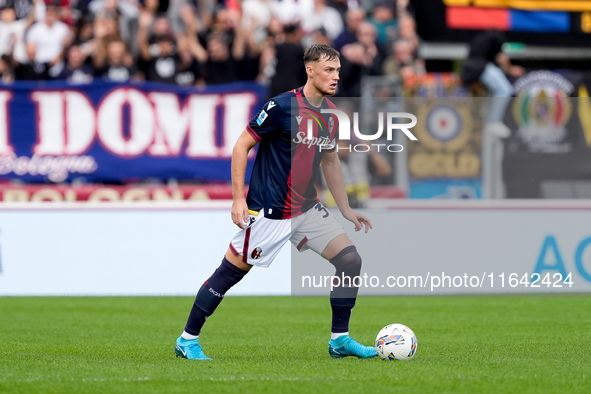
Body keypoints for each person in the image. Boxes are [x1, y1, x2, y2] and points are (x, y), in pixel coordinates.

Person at [175, 44, 378, 361]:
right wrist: (238, 199)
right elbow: (242, 146)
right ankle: (187, 339)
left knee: (350, 261)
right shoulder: (281, 107)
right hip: (270, 211)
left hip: (307, 209)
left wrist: (347, 208)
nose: (336, 76)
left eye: (338, 70)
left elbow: (330, 162)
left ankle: (339, 340)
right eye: (329, 70)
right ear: (310, 70)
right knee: (230, 273)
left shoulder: (331, 116)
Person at [460, 29, 524, 138]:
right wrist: (511, 69)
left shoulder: (481, 37)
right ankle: (494, 121)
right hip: (480, 68)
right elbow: (501, 58)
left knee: (490, 93)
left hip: (467, 70)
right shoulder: (497, 37)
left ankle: (486, 119)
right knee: (505, 90)